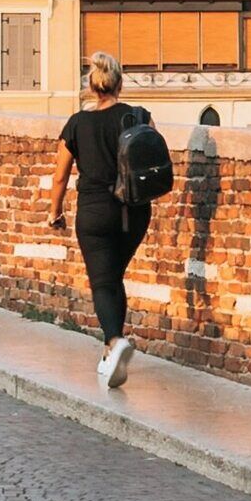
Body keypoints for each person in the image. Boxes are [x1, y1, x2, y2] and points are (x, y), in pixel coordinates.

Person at [45, 53, 155, 389]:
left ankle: (114, 342)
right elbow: (149, 158)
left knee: (103, 282)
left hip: (94, 212)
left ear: (92, 88)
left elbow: (60, 176)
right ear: (119, 83)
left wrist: (55, 213)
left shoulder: (78, 123)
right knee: (113, 277)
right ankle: (113, 357)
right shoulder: (139, 116)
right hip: (134, 211)